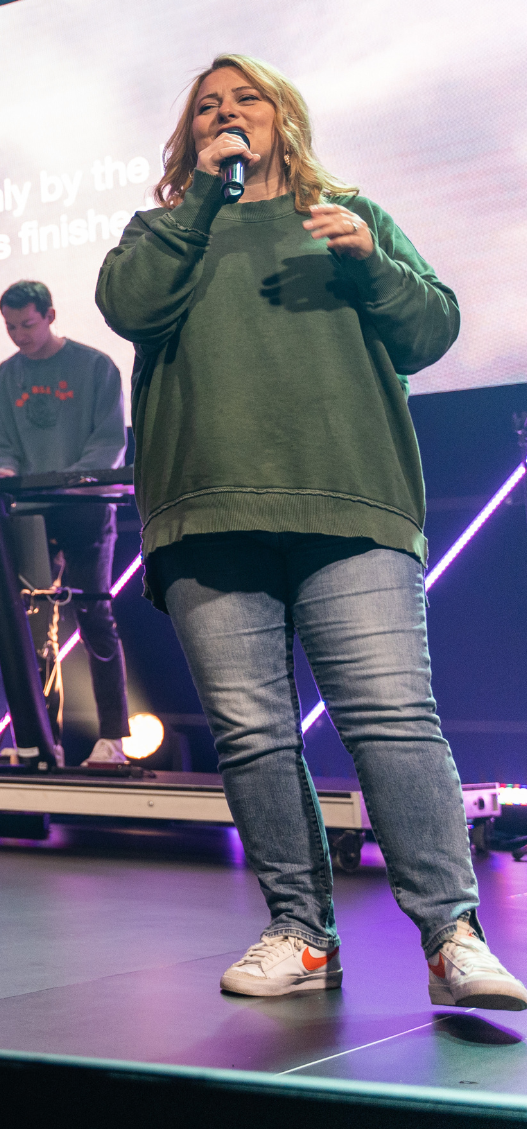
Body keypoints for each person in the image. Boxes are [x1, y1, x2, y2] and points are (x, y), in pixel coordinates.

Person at [97, 52, 523, 1009]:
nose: (225, 113)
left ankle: (452, 934)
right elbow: (127, 305)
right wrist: (200, 203)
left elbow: (433, 330)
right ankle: (301, 931)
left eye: (244, 99)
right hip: (206, 510)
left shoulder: (352, 217)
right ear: (190, 138)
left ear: (284, 115)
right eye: (207, 106)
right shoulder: (164, 231)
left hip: (349, 499)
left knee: (392, 719)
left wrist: (370, 265)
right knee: (252, 734)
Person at [0, 280, 132, 767]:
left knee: (94, 617)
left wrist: (78, 480)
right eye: (10, 327)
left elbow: (108, 440)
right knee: (31, 624)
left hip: (86, 507)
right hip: (30, 511)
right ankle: (40, 739)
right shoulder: (1, 381)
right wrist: (2, 470)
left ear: (50, 314)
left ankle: (112, 739)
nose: (19, 335)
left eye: (26, 324)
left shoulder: (94, 367)